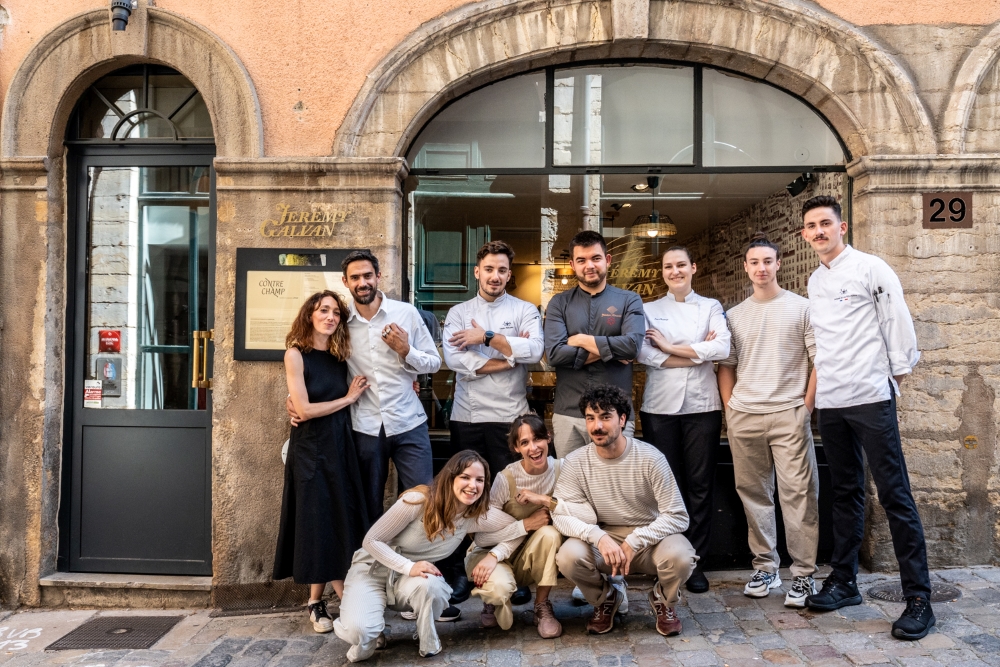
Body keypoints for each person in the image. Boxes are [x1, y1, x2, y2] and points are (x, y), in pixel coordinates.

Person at [800, 195, 933, 640]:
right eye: (811, 226)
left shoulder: (873, 268)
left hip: (872, 395)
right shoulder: (815, 280)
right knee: (846, 492)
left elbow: (897, 320)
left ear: (842, 227)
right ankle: (844, 581)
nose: (819, 231)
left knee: (895, 494)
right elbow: (820, 342)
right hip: (833, 402)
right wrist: (813, 399)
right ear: (805, 235)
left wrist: (896, 375)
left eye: (825, 224)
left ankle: (919, 599)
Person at [333, 451, 526, 662]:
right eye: (465, 477)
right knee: (359, 632)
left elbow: (515, 529)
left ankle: (427, 636)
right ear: (450, 477)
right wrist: (408, 567)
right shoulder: (417, 501)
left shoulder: (473, 516)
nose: (473, 485)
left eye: (479, 480)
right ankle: (371, 630)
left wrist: (495, 554)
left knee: (432, 586)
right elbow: (371, 540)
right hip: (372, 571)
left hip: (410, 582)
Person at [716, 235, 820, 607]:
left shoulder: (802, 308)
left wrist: (805, 407)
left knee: (799, 496)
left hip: (788, 414)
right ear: (746, 267)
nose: (761, 268)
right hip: (745, 415)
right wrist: (731, 409)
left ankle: (805, 575)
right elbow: (726, 365)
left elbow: (818, 361)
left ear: (779, 263)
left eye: (767, 261)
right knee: (754, 496)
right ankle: (765, 566)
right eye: (754, 262)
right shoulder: (734, 315)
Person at [553, 384, 695, 637]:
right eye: (590, 418)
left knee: (681, 557)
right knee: (568, 556)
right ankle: (606, 598)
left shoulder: (651, 458)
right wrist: (598, 536)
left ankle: (663, 599)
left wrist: (636, 540)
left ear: (622, 419)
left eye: (605, 417)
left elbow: (678, 515)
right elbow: (560, 515)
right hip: (603, 539)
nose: (597, 426)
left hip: (650, 538)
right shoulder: (575, 461)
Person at [273, 291, 373, 633]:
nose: (330, 317)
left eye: (335, 312)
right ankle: (346, 604)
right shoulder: (295, 355)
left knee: (336, 519)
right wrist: (347, 399)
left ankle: (317, 602)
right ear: (310, 315)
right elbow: (303, 410)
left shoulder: (340, 354)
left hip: (340, 446)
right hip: (311, 449)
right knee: (317, 521)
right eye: (323, 310)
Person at [636, 246, 730, 593]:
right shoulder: (647, 310)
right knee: (664, 488)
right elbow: (642, 353)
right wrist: (694, 354)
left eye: (681, 265)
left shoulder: (710, 307)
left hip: (702, 406)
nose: (675, 271)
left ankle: (696, 561)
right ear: (662, 272)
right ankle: (666, 557)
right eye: (668, 267)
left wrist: (670, 348)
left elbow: (721, 349)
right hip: (659, 407)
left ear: (694, 267)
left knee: (700, 485)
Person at [465, 413, 585, 638]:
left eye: (538, 438)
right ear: (516, 448)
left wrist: (544, 501)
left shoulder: (562, 470)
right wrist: (526, 524)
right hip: (494, 553)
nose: (534, 447)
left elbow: (578, 512)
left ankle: (541, 606)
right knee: (497, 594)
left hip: (533, 556)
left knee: (550, 533)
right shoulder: (506, 478)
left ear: (548, 438)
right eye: (524, 442)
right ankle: (493, 599)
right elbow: (481, 536)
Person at [443, 240, 544, 481]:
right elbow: (455, 359)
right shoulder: (459, 312)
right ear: (477, 271)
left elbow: (535, 351)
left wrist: (486, 337)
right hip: (467, 416)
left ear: (509, 274)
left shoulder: (525, 310)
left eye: (501, 270)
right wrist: (509, 358)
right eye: (488, 269)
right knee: (468, 488)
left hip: (510, 417)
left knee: (510, 488)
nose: (495, 276)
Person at [544, 230, 645, 457]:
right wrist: (611, 349)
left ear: (607, 260)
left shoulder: (629, 300)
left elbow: (631, 347)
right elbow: (554, 355)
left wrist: (582, 340)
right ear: (572, 265)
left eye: (595, 258)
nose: (589, 265)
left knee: (617, 485)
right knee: (571, 485)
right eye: (581, 260)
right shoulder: (559, 303)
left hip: (615, 414)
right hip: (568, 412)